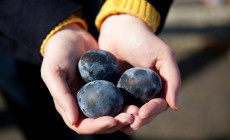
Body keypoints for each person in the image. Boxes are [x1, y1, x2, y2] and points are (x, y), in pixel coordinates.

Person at [0, 0, 180, 138]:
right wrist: (51, 25)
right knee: (41, 124)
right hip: (20, 40)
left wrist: (129, 16)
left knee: (113, 131)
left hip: (102, 20)